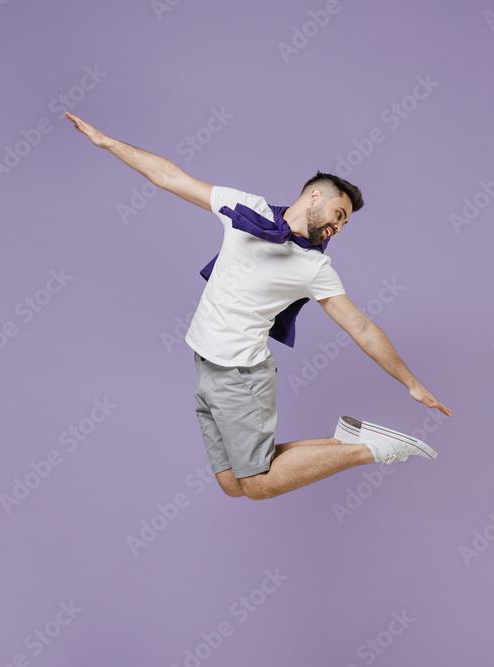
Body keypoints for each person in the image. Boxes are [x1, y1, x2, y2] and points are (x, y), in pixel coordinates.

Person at [65, 111, 451, 501]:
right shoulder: (245, 209)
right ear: (315, 196)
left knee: (257, 485)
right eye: (339, 215)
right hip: (204, 364)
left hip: (241, 377)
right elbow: (170, 176)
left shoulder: (314, 266)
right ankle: (347, 439)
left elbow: (362, 328)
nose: (338, 228)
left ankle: (370, 450)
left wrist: (411, 383)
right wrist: (108, 142)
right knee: (232, 483)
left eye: (344, 225)